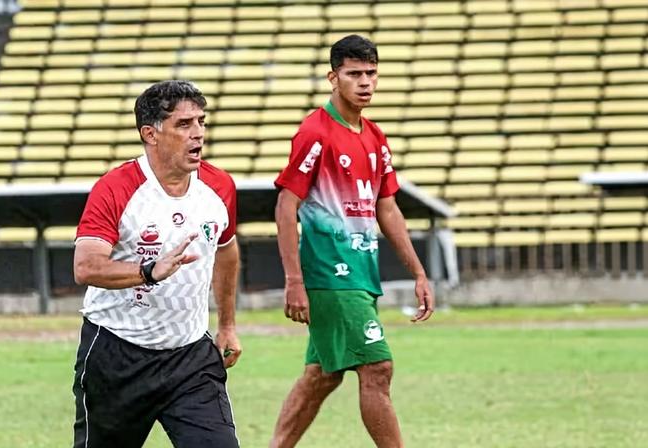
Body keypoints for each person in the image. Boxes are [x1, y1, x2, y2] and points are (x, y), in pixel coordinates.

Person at [269, 35, 435, 448]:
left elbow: (388, 209)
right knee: (377, 368)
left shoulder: (375, 137)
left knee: (322, 375)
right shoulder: (315, 131)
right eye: (354, 74)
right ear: (333, 77)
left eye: (371, 73)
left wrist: (418, 272)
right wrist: (294, 280)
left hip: (361, 271)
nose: (365, 82)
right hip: (330, 272)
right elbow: (286, 205)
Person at [71, 80, 242, 448]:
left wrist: (227, 324)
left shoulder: (219, 187)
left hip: (191, 357)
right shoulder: (116, 188)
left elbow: (226, 250)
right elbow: (86, 267)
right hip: (118, 354)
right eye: (184, 125)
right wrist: (148, 271)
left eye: (201, 122)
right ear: (150, 133)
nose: (198, 134)